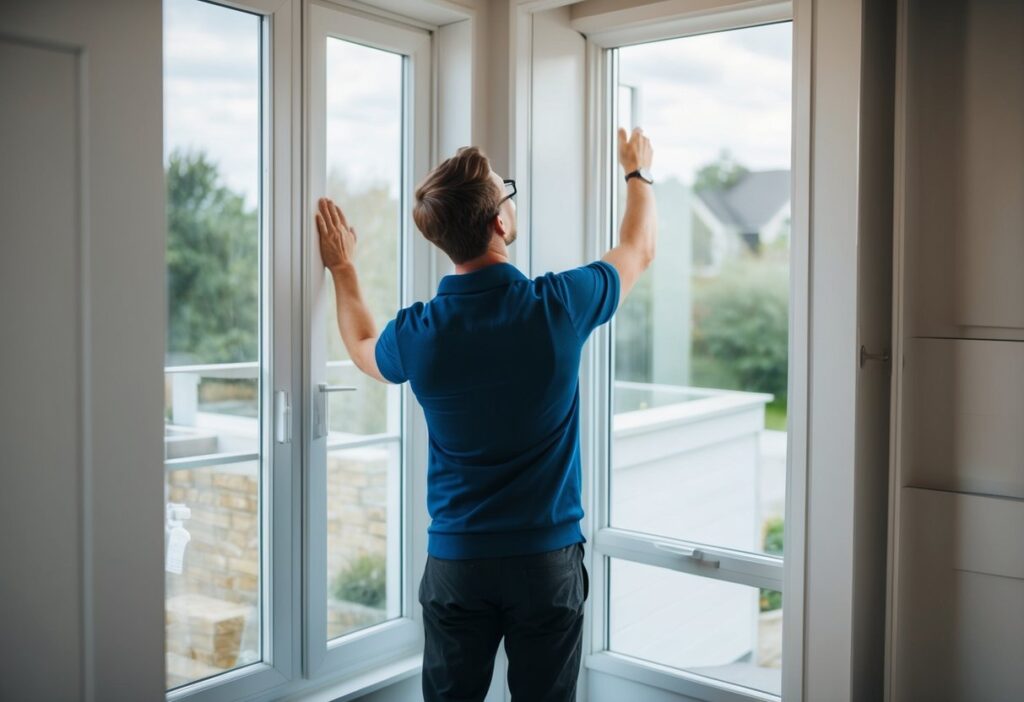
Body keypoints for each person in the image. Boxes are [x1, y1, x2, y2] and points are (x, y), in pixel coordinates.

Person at [315, 126, 656, 702]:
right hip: (545, 563)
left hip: (458, 564)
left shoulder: (419, 332)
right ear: (499, 223)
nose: (510, 201)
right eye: (507, 193)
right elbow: (639, 248)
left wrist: (343, 269)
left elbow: (362, 346)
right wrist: (637, 174)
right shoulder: (558, 305)